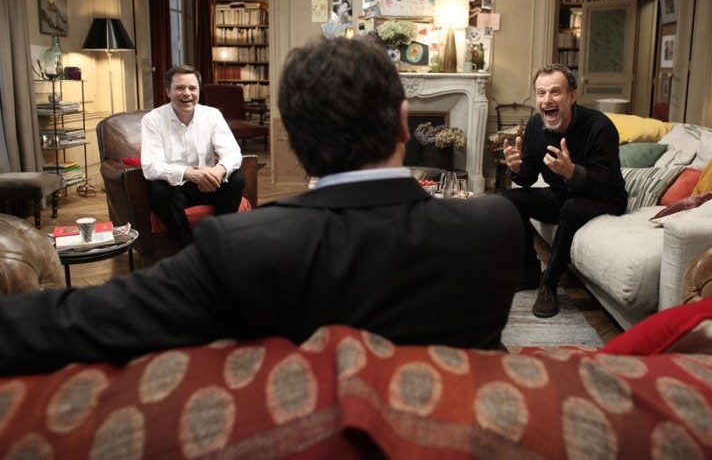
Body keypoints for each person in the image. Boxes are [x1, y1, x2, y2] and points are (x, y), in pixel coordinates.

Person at [0, 38, 524, 376]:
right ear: (405, 124)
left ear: (292, 139)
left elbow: (79, 322)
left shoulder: (239, 249)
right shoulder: (496, 226)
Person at [502, 64, 626, 318]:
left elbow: (605, 184)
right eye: (541, 93)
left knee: (572, 207)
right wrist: (516, 168)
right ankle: (528, 272)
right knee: (510, 200)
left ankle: (549, 282)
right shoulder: (536, 125)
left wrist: (571, 172)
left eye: (555, 92)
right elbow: (528, 178)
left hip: (604, 199)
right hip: (563, 196)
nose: (547, 99)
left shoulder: (600, 127)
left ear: (572, 96)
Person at [141, 65, 244, 247]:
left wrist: (218, 171)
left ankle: (217, 242)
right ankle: (189, 248)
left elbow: (232, 152)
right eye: (180, 88)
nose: (187, 93)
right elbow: (151, 165)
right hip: (176, 188)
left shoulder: (212, 115)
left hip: (210, 184)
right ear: (168, 92)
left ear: (198, 91)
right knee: (159, 191)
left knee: (235, 180)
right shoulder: (152, 119)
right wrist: (189, 173)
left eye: (192, 88)